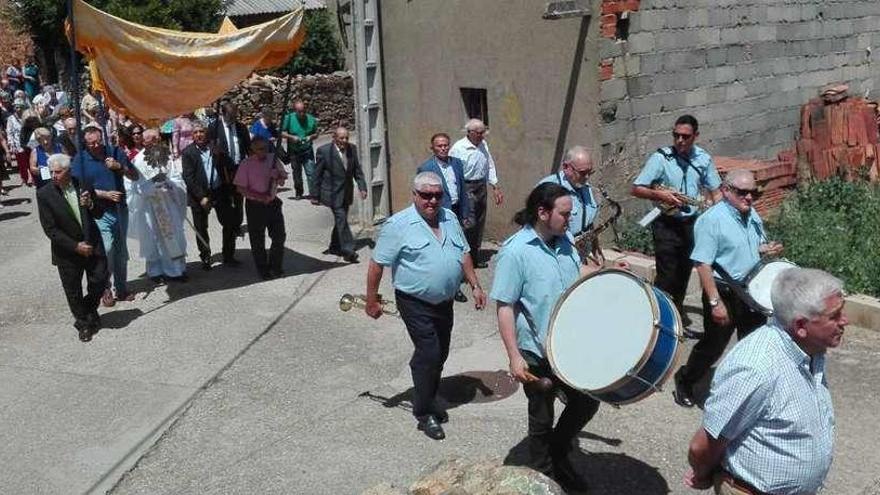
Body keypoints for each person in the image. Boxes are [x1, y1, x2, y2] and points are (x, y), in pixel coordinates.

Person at [685, 267, 846, 494]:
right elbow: (702, 446)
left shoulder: (811, 349)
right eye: (835, 316)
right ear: (800, 326)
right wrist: (703, 475)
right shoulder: (756, 369)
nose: (845, 321)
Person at [490, 182, 606, 492]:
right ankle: (543, 476)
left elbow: (573, 272)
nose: (570, 220)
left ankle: (558, 449)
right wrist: (514, 356)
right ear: (543, 212)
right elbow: (505, 306)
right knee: (541, 418)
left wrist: (604, 272)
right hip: (536, 351)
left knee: (587, 402)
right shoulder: (515, 252)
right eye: (565, 214)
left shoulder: (564, 238)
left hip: (569, 347)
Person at [366, 171, 486, 440]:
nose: (432, 201)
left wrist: (475, 285)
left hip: (444, 302)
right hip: (414, 301)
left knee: (440, 354)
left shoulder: (450, 217)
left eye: (437, 195)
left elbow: (463, 252)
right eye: (426, 195)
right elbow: (377, 264)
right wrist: (371, 300)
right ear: (415, 195)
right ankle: (423, 413)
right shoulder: (398, 225)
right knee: (429, 352)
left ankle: (428, 396)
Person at [673, 169, 784, 408]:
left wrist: (764, 249)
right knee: (714, 346)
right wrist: (715, 302)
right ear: (725, 190)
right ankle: (686, 379)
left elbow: (749, 245)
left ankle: (745, 390)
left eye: (752, 192)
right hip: (724, 292)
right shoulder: (711, 220)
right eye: (742, 192)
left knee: (752, 344)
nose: (749, 197)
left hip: (751, 291)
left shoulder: (751, 214)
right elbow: (702, 263)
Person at [631, 115, 722, 326]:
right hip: (666, 223)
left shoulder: (703, 159)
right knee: (667, 275)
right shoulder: (661, 158)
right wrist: (661, 196)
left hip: (692, 223)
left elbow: (716, 192)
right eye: (676, 136)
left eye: (685, 136)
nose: (680, 140)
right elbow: (636, 188)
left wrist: (714, 213)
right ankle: (659, 320)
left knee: (683, 273)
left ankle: (676, 313)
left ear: (695, 136)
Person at [36, 153, 108, 342]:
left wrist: (91, 204)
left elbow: (99, 213)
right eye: (51, 172)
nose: (53, 176)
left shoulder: (82, 185)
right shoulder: (44, 194)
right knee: (73, 290)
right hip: (67, 250)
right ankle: (84, 324)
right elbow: (50, 229)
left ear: (69, 171)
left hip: (92, 243)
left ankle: (88, 308)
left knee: (100, 278)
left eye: (58, 172)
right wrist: (75, 246)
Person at [72, 126, 138, 306]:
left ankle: (122, 288)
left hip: (119, 209)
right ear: (85, 143)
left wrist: (119, 167)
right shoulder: (80, 159)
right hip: (99, 211)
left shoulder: (114, 152)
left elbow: (135, 175)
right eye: (90, 143)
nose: (95, 146)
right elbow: (79, 188)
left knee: (121, 251)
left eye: (97, 142)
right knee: (107, 248)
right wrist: (104, 194)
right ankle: (105, 286)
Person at [127, 128, 189, 283]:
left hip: (168, 202)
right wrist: (152, 186)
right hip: (149, 206)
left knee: (174, 235)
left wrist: (170, 184)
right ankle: (155, 271)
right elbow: (133, 186)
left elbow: (176, 178)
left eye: (157, 138)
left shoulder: (166, 156)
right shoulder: (138, 160)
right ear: (144, 141)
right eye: (151, 139)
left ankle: (176, 270)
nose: (155, 141)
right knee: (152, 238)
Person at [417, 132, 471, 302]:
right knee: (445, 250)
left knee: (458, 248)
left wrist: (465, 212)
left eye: (446, 145)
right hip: (438, 213)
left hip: (455, 211)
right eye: (439, 146)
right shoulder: (426, 168)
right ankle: (452, 287)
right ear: (432, 148)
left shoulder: (457, 163)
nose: (443, 148)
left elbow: (463, 190)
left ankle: (456, 279)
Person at [182, 120, 239, 270]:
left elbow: (231, 165)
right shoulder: (188, 153)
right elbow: (189, 177)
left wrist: (220, 154)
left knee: (229, 223)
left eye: (201, 131)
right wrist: (201, 197)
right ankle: (205, 256)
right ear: (192, 135)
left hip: (219, 191)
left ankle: (228, 255)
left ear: (206, 133)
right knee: (201, 228)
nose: (199, 135)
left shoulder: (215, 148)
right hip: (199, 195)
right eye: (195, 132)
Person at [449, 118, 504, 268]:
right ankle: (462, 260)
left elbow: (489, 165)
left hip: (481, 185)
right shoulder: (458, 148)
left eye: (483, 132)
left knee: (479, 222)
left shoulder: (483, 145)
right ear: (469, 132)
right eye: (478, 133)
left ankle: (474, 257)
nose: (482, 136)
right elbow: (452, 172)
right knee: (468, 223)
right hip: (466, 187)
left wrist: (495, 186)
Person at [233, 136, 288, 280]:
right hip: (255, 206)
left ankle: (275, 266)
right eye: (260, 149)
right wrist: (259, 197)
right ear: (253, 149)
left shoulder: (273, 159)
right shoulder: (246, 164)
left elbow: (282, 180)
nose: (263, 152)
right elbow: (241, 188)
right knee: (258, 240)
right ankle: (263, 269)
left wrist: (278, 176)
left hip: (273, 203)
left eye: (265, 148)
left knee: (279, 236)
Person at [538, 145, 601, 260]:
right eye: (582, 173)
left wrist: (596, 251)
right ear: (566, 167)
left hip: (580, 255)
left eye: (590, 173)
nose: (587, 177)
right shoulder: (548, 188)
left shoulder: (586, 188)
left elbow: (589, 223)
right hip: (555, 255)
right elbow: (536, 227)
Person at [314, 127, 367, 263]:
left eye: (346, 138)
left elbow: (357, 170)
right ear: (334, 138)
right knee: (342, 218)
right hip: (331, 193)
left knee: (340, 220)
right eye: (341, 138)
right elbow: (317, 175)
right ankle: (349, 250)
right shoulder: (324, 151)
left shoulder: (352, 149)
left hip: (346, 192)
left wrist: (362, 187)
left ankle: (334, 246)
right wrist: (315, 195)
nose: (344, 141)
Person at [209, 100, 250, 254]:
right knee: (226, 203)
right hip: (222, 170)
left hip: (239, 168)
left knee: (239, 200)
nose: (233, 119)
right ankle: (229, 226)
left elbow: (247, 147)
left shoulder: (241, 127)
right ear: (223, 114)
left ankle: (237, 225)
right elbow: (210, 148)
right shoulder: (214, 127)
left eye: (235, 116)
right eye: (231, 116)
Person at [280, 100, 319, 199]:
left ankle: (314, 194)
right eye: (299, 112)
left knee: (311, 172)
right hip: (294, 151)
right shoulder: (289, 118)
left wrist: (310, 137)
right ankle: (299, 192)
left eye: (303, 111)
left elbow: (316, 133)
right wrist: (292, 137)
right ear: (295, 111)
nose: (302, 114)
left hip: (307, 149)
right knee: (297, 173)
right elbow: (282, 132)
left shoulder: (311, 119)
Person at [6, 100, 26, 185]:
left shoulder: (26, 116)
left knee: (29, 161)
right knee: (21, 163)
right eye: (16, 107)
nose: (18, 109)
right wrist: (11, 144)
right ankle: (24, 178)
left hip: (27, 142)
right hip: (17, 143)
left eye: (19, 107)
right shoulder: (11, 118)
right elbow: (9, 132)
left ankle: (31, 177)